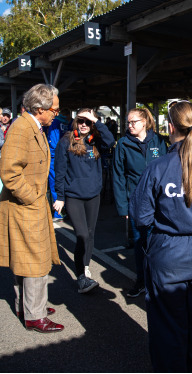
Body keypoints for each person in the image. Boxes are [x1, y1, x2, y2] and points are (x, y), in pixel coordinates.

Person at [130, 101, 192, 372]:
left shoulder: (157, 168)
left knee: (168, 329)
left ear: (170, 127)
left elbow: (141, 217)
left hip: (168, 253)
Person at [0, 84, 63, 333]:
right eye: (54, 110)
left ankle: (29, 306)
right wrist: (32, 198)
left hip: (31, 204)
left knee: (28, 259)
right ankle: (35, 315)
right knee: (35, 261)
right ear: (40, 109)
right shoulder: (22, 128)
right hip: (27, 205)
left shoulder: (32, 126)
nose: (56, 114)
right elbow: (8, 172)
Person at [53, 108, 115, 293]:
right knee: (82, 235)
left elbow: (111, 141)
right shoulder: (66, 142)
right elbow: (60, 171)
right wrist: (60, 197)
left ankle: (85, 266)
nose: (84, 125)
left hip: (93, 195)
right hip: (74, 197)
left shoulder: (96, 140)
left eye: (88, 122)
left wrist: (96, 121)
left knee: (90, 233)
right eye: (81, 120)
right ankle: (81, 276)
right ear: (75, 121)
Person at [113, 107, 167, 298]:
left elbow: (168, 169)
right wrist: (123, 206)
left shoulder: (159, 141)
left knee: (159, 241)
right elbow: (118, 176)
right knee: (139, 242)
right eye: (128, 122)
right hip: (136, 202)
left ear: (144, 122)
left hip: (159, 201)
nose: (130, 125)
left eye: (133, 121)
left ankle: (157, 279)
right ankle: (142, 280)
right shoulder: (123, 144)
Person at [46, 109, 71, 221]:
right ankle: (66, 209)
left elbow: (53, 142)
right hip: (65, 155)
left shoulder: (54, 123)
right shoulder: (66, 123)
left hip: (54, 157)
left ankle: (58, 212)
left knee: (55, 183)